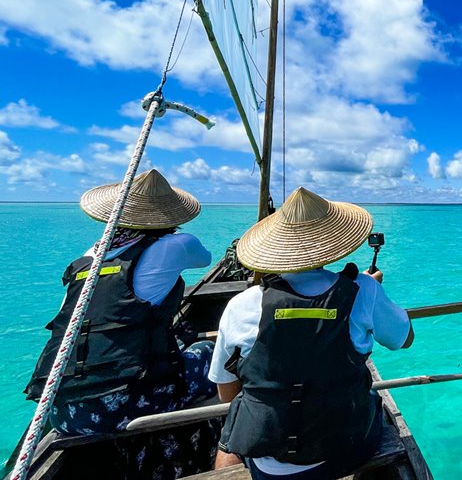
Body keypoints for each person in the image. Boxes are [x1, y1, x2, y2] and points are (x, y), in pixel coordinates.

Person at [210, 187, 414, 480]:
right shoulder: (363, 291)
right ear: (332, 242)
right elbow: (404, 339)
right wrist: (374, 292)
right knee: (371, 396)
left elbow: (226, 390)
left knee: (229, 432)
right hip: (347, 448)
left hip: (269, 463)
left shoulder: (241, 305)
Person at [24, 169, 215, 435]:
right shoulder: (177, 244)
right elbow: (204, 259)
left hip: (60, 412)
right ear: (168, 216)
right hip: (126, 408)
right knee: (208, 351)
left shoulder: (87, 258)